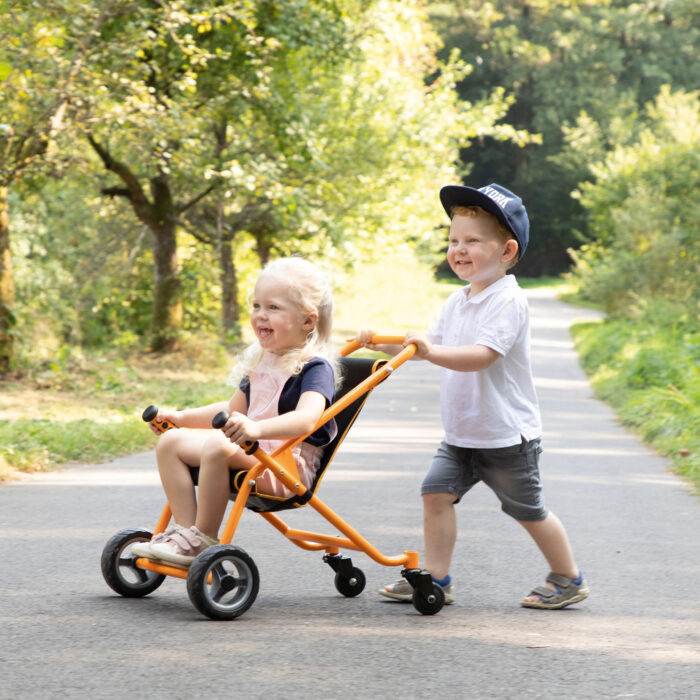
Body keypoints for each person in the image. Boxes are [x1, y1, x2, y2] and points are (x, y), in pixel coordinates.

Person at [356, 183, 588, 609]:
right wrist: (383, 342)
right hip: (462, 434)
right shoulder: (457, 300)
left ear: (505, 251)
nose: (459, 249)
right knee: (434, 493)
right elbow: (425, 347)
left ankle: (568, 577)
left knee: (528, 510)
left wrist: (431, 349)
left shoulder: (508, 301)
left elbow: (481, 356)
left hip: (505, 437)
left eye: (472, 241)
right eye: (453, 240)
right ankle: (437, 581)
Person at [132, 257, 339, 567]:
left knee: (217, 444)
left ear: (307, 321)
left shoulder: (314, 368)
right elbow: (231, 411)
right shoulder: (262, 361)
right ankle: (185, 534)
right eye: (256, 306)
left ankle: (203, 538)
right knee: (171, 442)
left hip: (284, 466)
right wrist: (181, 418)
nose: (260, 316)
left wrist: (256, 429)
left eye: (273, 308)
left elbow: (307, 419)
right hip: (251, 453)